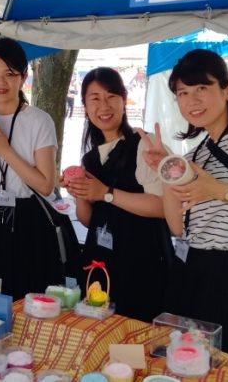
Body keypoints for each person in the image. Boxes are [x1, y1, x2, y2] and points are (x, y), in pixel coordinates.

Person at [140, 49, 228, 382]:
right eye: (182, 93)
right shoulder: (197, 154)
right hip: (193, 270)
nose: (191, 100)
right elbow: (177, 227)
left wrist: (218, 190)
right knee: (189, 369)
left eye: (201, 88)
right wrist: (167, 170)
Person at [61, 67, 173, 323]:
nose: (104, 106)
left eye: (111, 96)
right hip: (101, 266)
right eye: (95, 98)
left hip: (143, 264)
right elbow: (88, 220)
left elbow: (162, 207)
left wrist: (107, 193)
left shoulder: (145, 145)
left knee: (137, 334)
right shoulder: (90, 158)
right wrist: (79, 191)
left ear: (124, 100)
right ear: (85, 106)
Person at [0, 37, 64, 300]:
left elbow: (46, 185)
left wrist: (4, 150)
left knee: (31, 304)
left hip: (31, 224)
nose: (0, 82)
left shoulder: (39, 121)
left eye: (10, 74)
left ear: (23, 78)